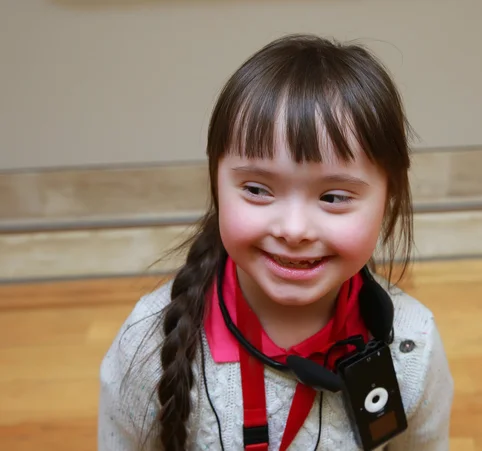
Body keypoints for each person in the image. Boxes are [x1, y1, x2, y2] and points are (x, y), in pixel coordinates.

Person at [98, 34, 453, 451]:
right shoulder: (150, 340)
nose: (294, 229)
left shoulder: (412, 347)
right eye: (257, 189)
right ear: (216, 185)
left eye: (333, 197)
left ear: (387, 198)